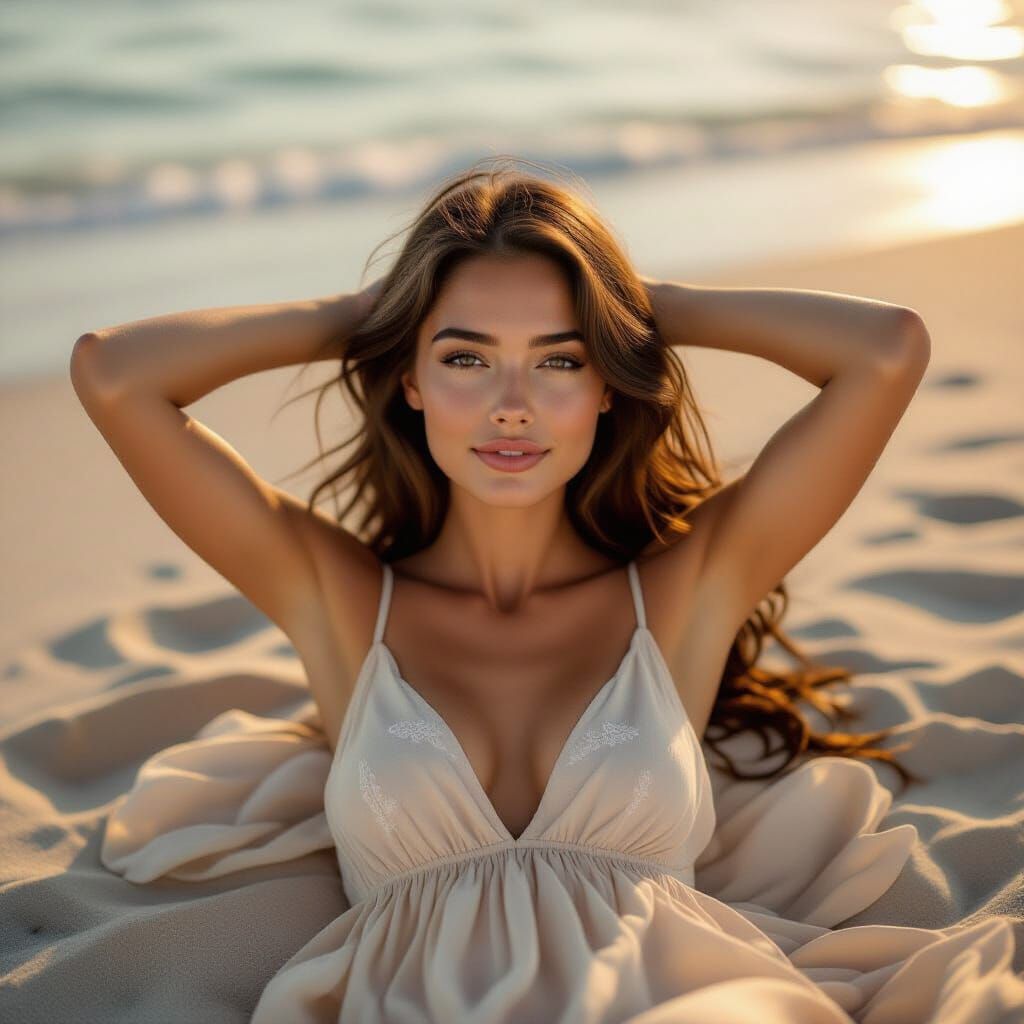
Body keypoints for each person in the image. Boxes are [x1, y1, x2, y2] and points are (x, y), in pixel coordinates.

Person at [74, 157, 1021, 1022]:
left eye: (561, 359)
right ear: (410, 378)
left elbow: (888, 350)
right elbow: (115, 375)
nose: (512, 403)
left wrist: (638, 304)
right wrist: (379, 311)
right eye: (466, 357)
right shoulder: (343, 600)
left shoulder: (686, 590)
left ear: (609, 381)